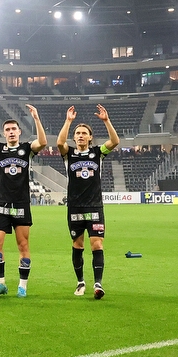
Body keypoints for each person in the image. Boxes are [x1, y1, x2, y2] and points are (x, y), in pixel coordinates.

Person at [0, 104, 47, 298]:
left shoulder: (27, 149)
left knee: (23, 245)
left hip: (21, 203)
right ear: (4, 133)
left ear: (20, 131)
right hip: (1, 203)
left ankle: (22, 285)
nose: (10, 132)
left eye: (13, 129)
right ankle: (1, 284)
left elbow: (42, 141)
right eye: (7, 130)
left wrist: (36, 118)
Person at [56, 104, 119, 299]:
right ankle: (80, 282)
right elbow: (59, 143)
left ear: (90, 137)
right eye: (78, 133)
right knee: (78, 244)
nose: (81, 135)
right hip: (75, 207)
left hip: (94, 207)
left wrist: (106, 121)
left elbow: (115, 141)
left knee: (97, 244)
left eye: (84, 133)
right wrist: (68, 122)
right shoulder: (70, 154)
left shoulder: (97, 153)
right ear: (74, 138)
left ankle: (98, 284)